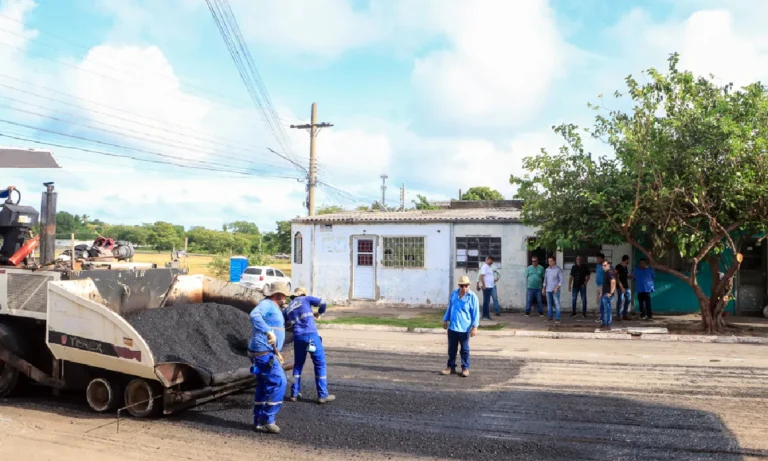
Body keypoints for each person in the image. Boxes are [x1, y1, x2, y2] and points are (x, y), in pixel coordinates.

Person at [248, 281, 290, 434]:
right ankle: (267, 418)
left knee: (264, 386)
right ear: (278, 294)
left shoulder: (275, 308)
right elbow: (254, 315)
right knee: (279, 381)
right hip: (263, 352)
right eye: (284, 295)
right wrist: (268, 331)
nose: (286, 298)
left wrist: (277, 352)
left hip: (267, 351)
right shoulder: (267, 304)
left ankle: (257, 421)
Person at [284, 287, 335, 404]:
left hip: (298, 339)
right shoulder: (306, 299)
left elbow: (283, 322)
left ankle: (294, 394)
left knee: (298, 365)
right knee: (319, 363)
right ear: (302, 294)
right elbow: (323, 303)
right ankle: (322, 395)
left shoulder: (289, 307)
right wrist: (320, 313)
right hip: (311, 338)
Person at [441, 275, 479, 378]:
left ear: (468, 286)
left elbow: (475, 313)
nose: (464, 288)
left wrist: (474, 327)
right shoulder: (454, 294)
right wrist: (445, 320)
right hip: (453, 327)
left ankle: (465, 368)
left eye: (466, 286)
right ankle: (450, 367)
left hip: (465, 328)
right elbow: (450, 308)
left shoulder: (472, 297)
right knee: (451, 349)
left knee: (464, 349)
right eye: (462, 286)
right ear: (459, 286)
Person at [543, 256, 564, 324]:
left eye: (551, 261)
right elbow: (545, 280)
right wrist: (543, 288)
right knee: (549, 304)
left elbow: (561, 280)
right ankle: (550, 317)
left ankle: (558, 318)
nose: (550, 262)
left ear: (554, 261)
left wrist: (557, 288)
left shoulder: (558, 270)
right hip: (548, 289)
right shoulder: (547, 270)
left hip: (555, 290)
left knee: (557, 304)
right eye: (549, 261)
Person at [594, 253, 612, 323]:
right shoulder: (598, 265)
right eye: (597, 258)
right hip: (598, 285)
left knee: (603, 302)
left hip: (603, 286)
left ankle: (603, 319)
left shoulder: (606, 266)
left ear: (602, 259)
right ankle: (602, 317)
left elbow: (613, 272)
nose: (597, 260)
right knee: (599, 302)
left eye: (599, 258)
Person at [599, 261, 616, 330]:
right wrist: (601, 293)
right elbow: (605, 284)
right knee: (602, 309)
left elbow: (613, 281)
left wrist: (611, 293)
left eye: (605, 265)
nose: (604, 266)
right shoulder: (605, 273)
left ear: (608, 265)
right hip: (604, 294)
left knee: (607, 310)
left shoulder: (609, 272)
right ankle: (603, 323)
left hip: (607, 295)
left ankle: (608, 324)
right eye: (603, 265)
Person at [615, 255, 631, 321]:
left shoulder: (625, 267)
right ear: (626, 260)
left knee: (628, 299)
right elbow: (617, 277)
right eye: (628, 260)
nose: (628, 261)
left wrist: (632, 276)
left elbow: (626, 275)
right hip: (620, 287)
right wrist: (621, 287)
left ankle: (625, 314)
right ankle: (619, 315)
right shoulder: (618, 267)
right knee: (620, 301)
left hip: (626, 286)